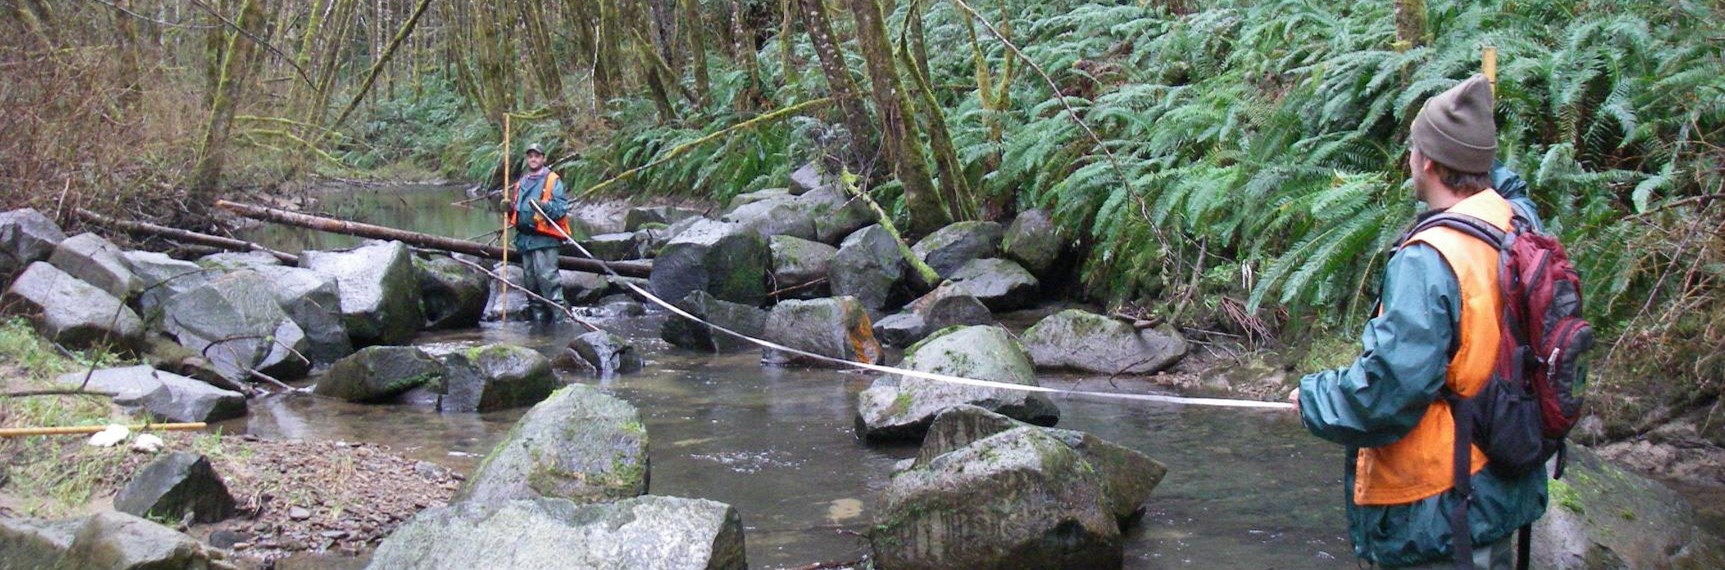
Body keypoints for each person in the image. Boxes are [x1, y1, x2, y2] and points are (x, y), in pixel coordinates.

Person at [1290, 75, 1548, 568]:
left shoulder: (1428, 259)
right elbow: (1514, 184)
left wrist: (1313, 398)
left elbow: (1390, 390)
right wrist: (1478, 137)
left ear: (1426, 161)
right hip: (1501, 483)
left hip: (1442, 503)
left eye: (1413, 146)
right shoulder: (1516, 220)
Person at [506, 143, 572, 323]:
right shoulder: (521, 183)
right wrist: (508, 209)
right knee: (530, 284)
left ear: (543, 158)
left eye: (537, 156)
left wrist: (543, 206)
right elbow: (516, 211)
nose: (533, 159)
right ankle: (539, 325)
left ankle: (561, 322)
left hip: (545, 240)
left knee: (548, 280)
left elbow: (561, 209)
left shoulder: (552, 180)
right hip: (525, 240)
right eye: (530, 156)